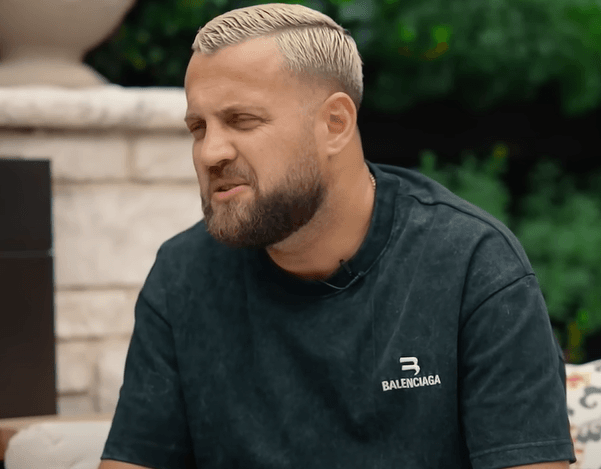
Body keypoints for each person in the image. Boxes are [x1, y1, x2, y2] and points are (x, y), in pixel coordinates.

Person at [99, 3, 576, 469]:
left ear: (335, 124)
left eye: (242, 120)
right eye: (198, 128)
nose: (210, 153)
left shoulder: (471, 266)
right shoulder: (183, 276)